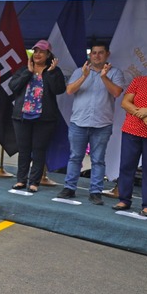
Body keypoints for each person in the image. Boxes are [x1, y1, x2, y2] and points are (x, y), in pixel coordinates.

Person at [57, 41, 125, 205]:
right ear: (90, 55)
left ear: (107, 54)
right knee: (75, 157)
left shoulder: (115, 72)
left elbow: (116, 92)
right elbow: (70, 90)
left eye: (100, 52)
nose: (96, 55)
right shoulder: (80, 71)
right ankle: (69, 188)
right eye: (94, 53)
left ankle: (95, 192)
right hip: (79, 122)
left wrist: (103, 77)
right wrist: (84, 76)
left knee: (98, 160)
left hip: (102, 124)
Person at [8, 39, 66, 192]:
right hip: (22, 117)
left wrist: (52, 73)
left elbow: (58, 90)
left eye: (41, 51)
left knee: (39, 150)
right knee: (24, 149)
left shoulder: (54, 70)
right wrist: (28, 72)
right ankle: (21, 180)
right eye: (36, 51)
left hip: (44, 118)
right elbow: (13, 87)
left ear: (48, 55)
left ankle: (34, 182)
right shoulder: (24, 69)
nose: (38, 54)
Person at [111, 76, 147, 216]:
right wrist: (144, 116)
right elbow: (125, 103)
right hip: (131, 130)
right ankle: (124, 200)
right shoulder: (139, 80)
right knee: (127, 166)